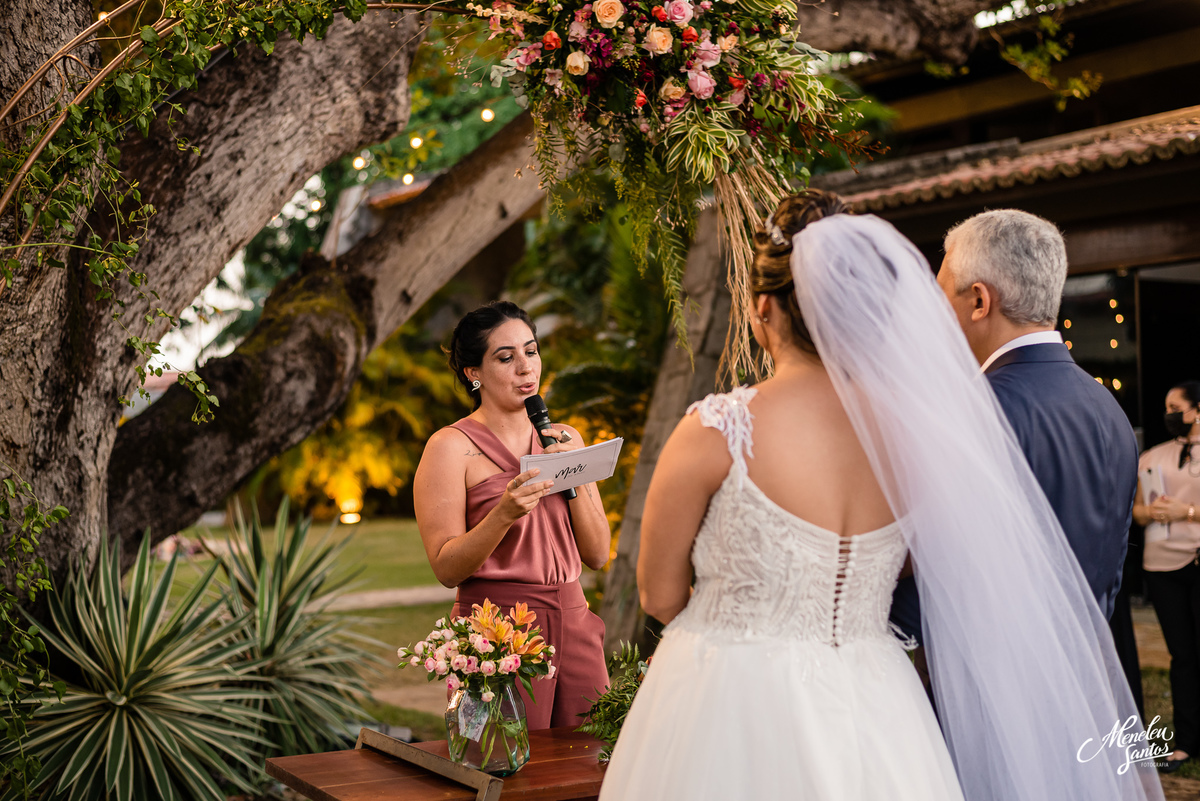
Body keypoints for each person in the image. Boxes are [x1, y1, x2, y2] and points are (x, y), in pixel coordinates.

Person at [599, 192, 1162, 801]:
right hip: (882, 700)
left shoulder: (716, 430)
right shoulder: (922, 444)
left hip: (733, 696)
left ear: (763, 307)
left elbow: (658, 596)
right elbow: (936, 561)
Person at [890, 209, 1141, 697]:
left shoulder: (973, 411)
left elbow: (937, 565)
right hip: (1076, 691)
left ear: (979, 300)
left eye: (942, 294)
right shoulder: (1108, 409)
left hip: (982, 697)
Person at [412, 301, 610, 729]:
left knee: (591, 763)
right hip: (497, 634)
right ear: (473, 373)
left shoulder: (563, 437)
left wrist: (575, 471)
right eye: (506, 357)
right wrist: (503, 513)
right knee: (502, 769)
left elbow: (598, 554)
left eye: (531, 351)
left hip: (575, 621)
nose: (525, 368)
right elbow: (447, 568)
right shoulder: (449, 448)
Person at [1133, 380, 1200, 773]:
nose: (1169, 414)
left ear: (1195, 410)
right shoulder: (1152, 456)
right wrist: (1154, 513)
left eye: (1176, 406)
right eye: (1166, 407)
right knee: (1182, 657)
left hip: (1196, 559)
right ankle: (1186, 741)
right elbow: (1138, 512)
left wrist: (1186, 513)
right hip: (1161, 567)